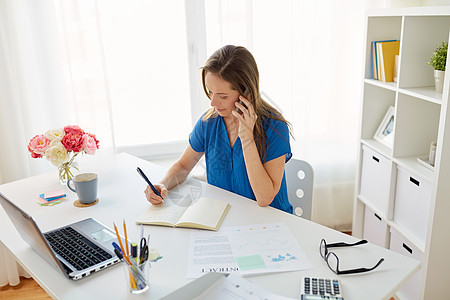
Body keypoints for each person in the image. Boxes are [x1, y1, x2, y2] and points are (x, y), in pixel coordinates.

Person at [144, 45, 293, 213]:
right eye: (210, 92)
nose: (213, 103)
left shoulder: (275, 127)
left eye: (223, 96)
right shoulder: (209, 123)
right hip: (225, 219)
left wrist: (246, 138)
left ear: (247, 93)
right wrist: (162, 184)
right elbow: (184, 165)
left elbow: (264, 198)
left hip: (270, 221)